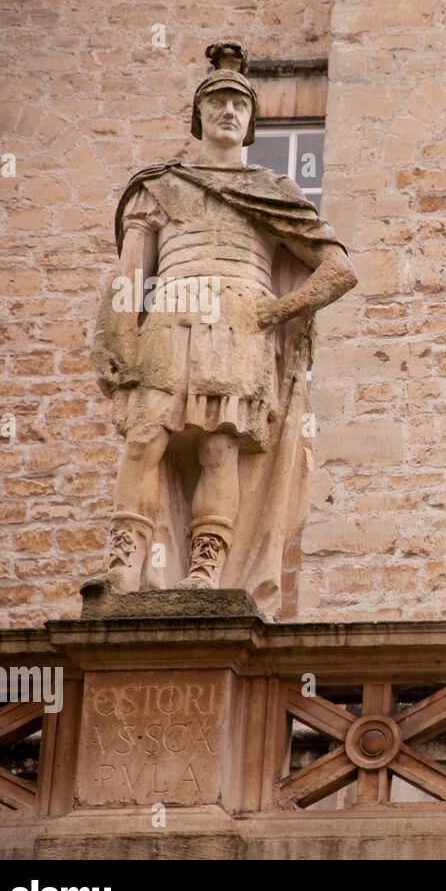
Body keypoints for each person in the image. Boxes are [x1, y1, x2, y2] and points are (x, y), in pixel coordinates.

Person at [85, 42, 357, 618]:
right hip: (170, 318)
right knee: (144, 442)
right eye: (218, 103)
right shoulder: (159, 186)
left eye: (239, 104)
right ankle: (122, 565)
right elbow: (131, 273)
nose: (229, 112)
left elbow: (339, 270)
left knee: (218, 449)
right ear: (200, 116)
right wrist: (113, 335)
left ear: (252, 121)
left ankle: (208, 570)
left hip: (239, 328)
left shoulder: (271, 192)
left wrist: (277, 312)